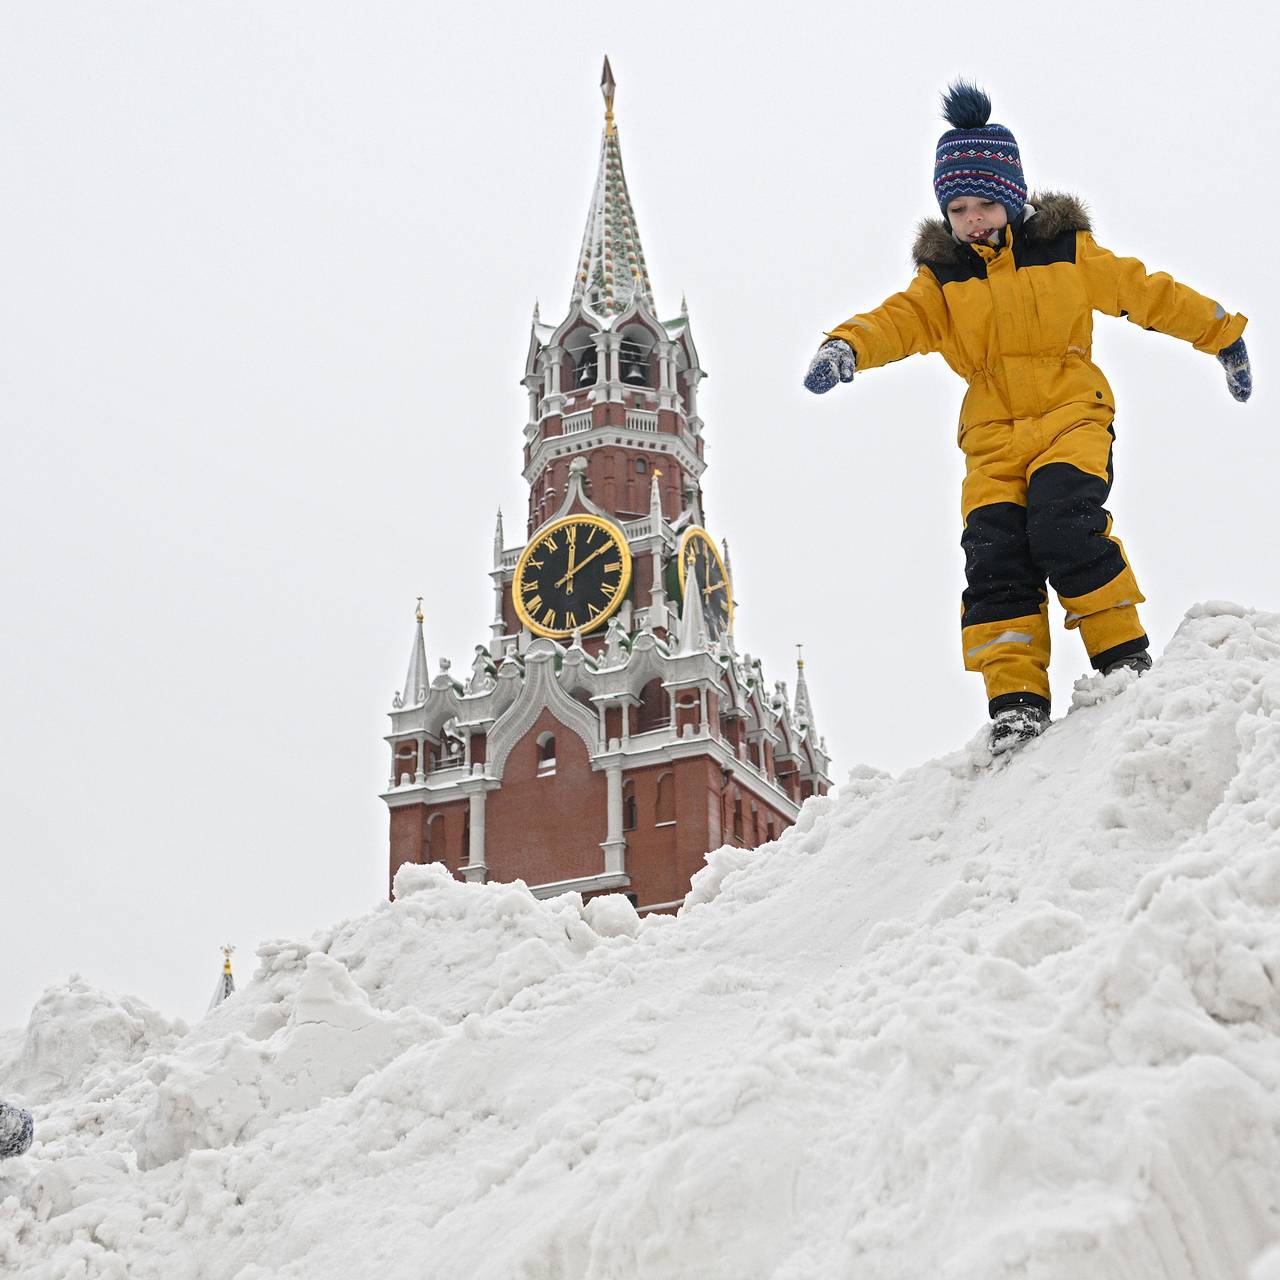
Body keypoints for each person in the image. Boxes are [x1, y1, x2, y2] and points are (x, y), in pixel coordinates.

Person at [804, 82, 1252, 755]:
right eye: (959, 208)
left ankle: (1123, 660)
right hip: (991, 440)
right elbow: (894, 321)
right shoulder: (943, 282)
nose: (973, 219)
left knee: (1062, 524)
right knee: (994, 559)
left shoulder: (1065, 252)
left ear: (1012, 198)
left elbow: (1147, 292)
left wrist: (1222, 334)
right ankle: (1015, 703)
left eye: (985, 203)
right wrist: (846, 345)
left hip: (1072, 412)